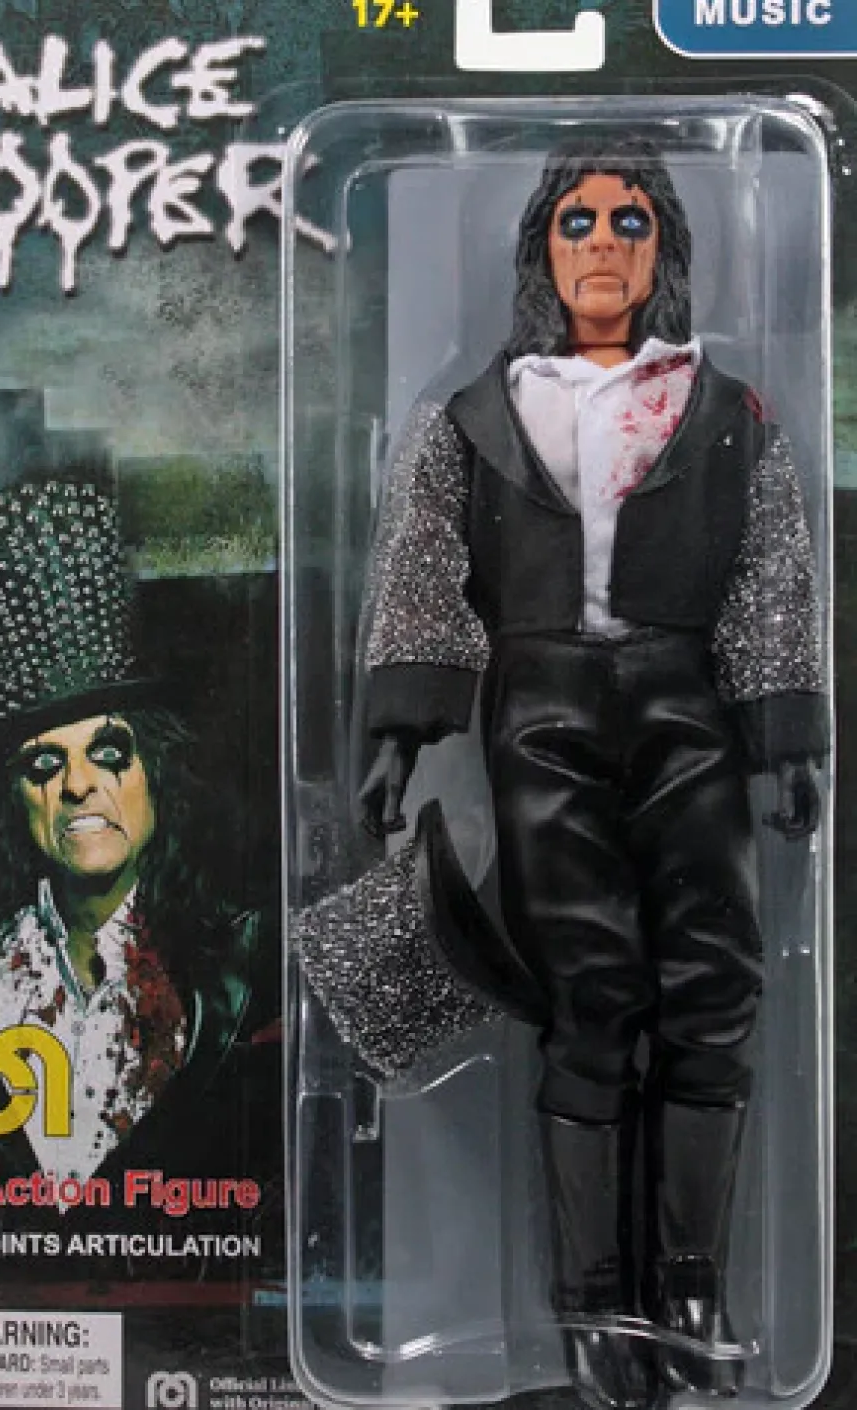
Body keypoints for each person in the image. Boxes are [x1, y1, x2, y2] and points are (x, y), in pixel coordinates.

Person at [356, 135, 827, 1409]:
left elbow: (771, 568)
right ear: (542, 250)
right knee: (591, 991)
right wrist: (401, 728)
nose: (605, 244)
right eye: (578, 221)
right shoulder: (475, 418)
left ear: (665, 246)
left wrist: (784, 727)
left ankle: (689, 1283)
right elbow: (420, 567)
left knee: (714, 981)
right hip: (543, 713)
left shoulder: (725, 411)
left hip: (686, 703)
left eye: (630, 220)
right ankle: (587, 1297)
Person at [0, 478, 280, 1284]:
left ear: (152, 775)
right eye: (43, 763)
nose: (77, 786)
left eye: (108, 752)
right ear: (15, 799)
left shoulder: (252, 960)